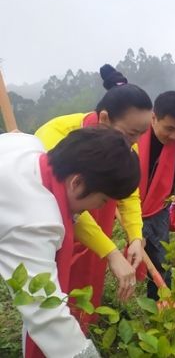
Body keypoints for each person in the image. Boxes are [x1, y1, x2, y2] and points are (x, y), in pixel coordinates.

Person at [0, 128, 140, 358]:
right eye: (103, 200)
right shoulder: (34, 222)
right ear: (77, 182)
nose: (99, 208)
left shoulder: (26, 143)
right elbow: (46, 313)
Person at [34, 64, 152, 325]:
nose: (135, 143)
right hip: (52, 228)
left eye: (142, 135)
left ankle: (81, 327)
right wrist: (110, 252)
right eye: (132, 133)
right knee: (46, 296)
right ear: (104, 119)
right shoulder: (55, 137)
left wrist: (135, 237)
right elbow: (66, 206)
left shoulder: (125, 146)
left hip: (92, 227)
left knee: (88, 280)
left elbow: (129, 195)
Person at [139, 91, 175, 300]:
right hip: (124, 198)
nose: (174, 136)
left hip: (157, 205)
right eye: (169, 128)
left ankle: (159, 305)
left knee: (159, 256)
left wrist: (158, 203)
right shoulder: (133, 135)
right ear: (153, 117)